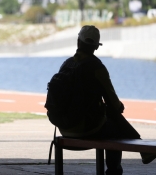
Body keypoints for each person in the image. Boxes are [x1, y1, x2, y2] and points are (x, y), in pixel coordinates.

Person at [55, 25, 155, 175]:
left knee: (108, 114)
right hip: (86, 128)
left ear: (78, 42)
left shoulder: (67, 64)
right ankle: (114, 171)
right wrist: (118, 107)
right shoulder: (97, 67)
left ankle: (142, 148)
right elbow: (114, 104)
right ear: (96, 47)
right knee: (115, 129)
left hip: (64, 127)